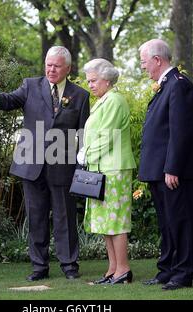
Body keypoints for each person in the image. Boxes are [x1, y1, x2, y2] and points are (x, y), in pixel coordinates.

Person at [0, 46, 90, 281]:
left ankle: (69, 266)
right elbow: (9, 100)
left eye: (56, 65)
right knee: (36, 217)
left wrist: (81, 165)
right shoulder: (30, 86)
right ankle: (39, 267)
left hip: (62, 166)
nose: (51, 69)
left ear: (68, 68)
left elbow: (84, 134)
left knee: (65, 217)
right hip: (31, 165)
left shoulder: (80, 95)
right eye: (48, 64)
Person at [138, 39, 193, 290]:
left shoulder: (179, 86)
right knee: (166, 223)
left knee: (181, 222)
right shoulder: (166, 86)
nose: (143, 67)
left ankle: (182, 274)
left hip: (173, 171)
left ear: (157, 60)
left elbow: (181, 132)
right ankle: (166, 269)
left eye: (144, 62)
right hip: (159, 170)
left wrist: (172, 168)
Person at [78, 58, 136, 284]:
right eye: (88, 81)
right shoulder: (104, 100)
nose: (90, 85)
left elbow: (108, 136)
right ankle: (113, 268)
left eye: (93, 80)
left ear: (107, 79)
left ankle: (123, 269)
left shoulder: (114, 100)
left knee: (116, 219)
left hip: (115, 167)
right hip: (103, 167)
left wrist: (86, 154)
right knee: (105, 220)